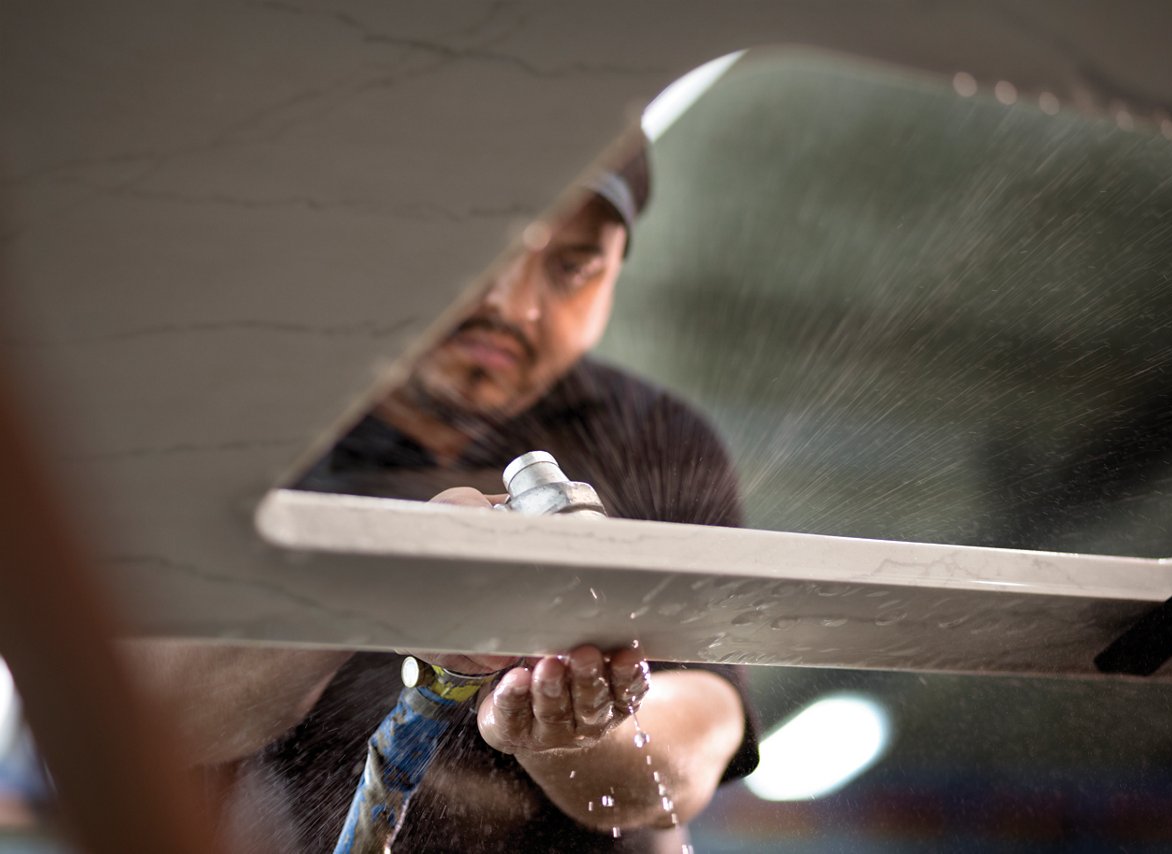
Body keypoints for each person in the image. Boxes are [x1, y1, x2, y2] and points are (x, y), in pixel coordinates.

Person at [128, 141, 757, 853]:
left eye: (572, 267)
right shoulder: (261, 426)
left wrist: (570, 733)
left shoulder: (655, 442)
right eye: (486, 246)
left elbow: (688, 751)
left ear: (614, 273)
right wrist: (376, 584)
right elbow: (147, 711)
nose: (512, 304)